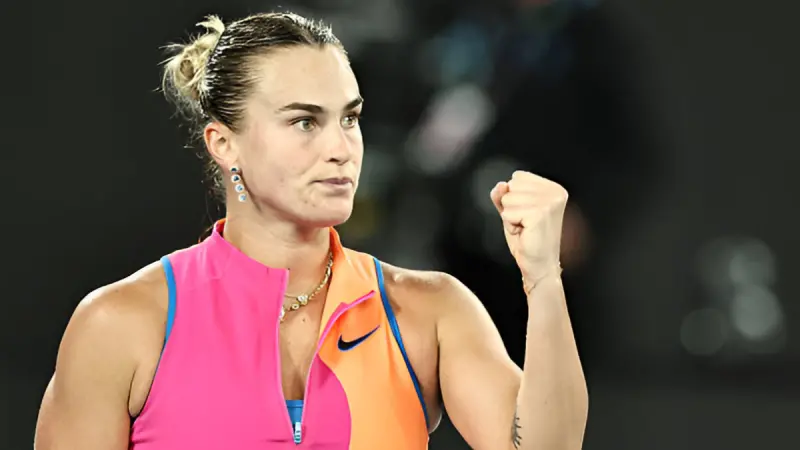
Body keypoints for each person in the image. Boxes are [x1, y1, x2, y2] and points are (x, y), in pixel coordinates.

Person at [33, 12, 587, 450]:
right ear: (224, 144)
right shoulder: (119, 325)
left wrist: (543, 279)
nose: (341, 148)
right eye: (305, 121)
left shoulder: (430, 311)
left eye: (350, 118)